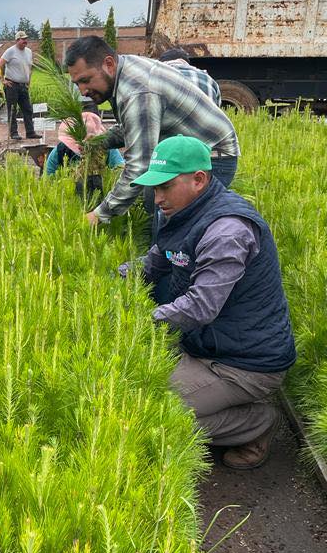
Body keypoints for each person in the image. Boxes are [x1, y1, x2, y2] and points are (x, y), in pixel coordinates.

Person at [120, 135, 295, 469]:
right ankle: (219, 406)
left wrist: (140, 320)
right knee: (129, 382)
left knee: (152, 411)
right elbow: (154, 263)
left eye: (165, 187)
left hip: (243, 364)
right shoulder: (184, 215)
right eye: (153, 189)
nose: (157, 199)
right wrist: (108, 284)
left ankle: (257, 422)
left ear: (198, 180)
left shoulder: (227, 230)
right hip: (206, 347)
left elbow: (201, 306)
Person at [65, 36, 239, 227]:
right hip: (176, 153)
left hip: (210, 157)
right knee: (155, 211)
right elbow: (134, 128)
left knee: (178, 229)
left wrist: (100, 214)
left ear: (109, 64)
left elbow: (139, 165)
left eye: (86, 80)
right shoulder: (125, 71)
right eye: (76, 84)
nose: (82, 91)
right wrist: (101, 141)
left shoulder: (138, 90)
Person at [45, 97, 125, 177]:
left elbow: (120, 171)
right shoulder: (60, 151)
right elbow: (48, 178)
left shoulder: (109, 150)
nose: (83, 145)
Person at [0, 31, 40, 141]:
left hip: (23, 86)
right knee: (12, 109)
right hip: (12, 85)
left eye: (26, 39)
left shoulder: (29, 52)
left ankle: (30, 132)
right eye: (23, 39)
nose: (25, 41)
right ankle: (14, 133)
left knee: (27, 109)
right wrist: (3, 80)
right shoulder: (10, 51)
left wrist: (28, 82)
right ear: (17, 40)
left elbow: (29, 68)